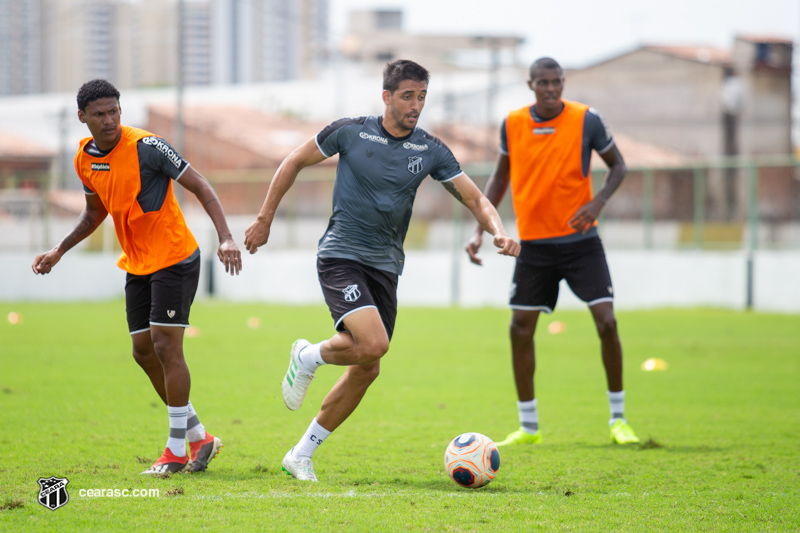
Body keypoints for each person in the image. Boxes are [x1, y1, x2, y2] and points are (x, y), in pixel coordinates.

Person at [244, 59, 521, 481]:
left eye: (422, 96)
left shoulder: (430, 149)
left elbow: (474, 198)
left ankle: (300, 454)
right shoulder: (351, 131)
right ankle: (308, 355)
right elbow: (292, 162)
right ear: (387, 96)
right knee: (373, 344)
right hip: (341, 255)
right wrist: (265, 219)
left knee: (368, 366)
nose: (416, 105)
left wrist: (499, 231)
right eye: (408, 96)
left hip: (386, 267)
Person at [32, 79, 243, 474]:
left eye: (115, 111)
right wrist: (59, 250)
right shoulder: (84, 159)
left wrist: (226, 237)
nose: (110, 120)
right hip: (138, 262)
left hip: (175, 256)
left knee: (166, 346)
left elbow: (201, 185)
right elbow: (95, 213)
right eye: (100, 114)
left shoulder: (148, 146)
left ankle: (176, 450)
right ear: (83, 118)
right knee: (143, 352)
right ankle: (201, 438)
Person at [466, 57, 640, 446]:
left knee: (607, 323)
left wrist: (597, 204)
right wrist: (479, 228)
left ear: (563, 83)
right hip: (534, 249)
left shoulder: (586, 119)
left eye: (556, 82)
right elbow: (499, 178)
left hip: (581, 244)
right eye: (542, 82)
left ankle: (618, 419)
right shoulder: (512, 123)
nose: (550, 88)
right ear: (530, 85)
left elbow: (619, 166)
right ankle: (529, 427)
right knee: (519, 329)